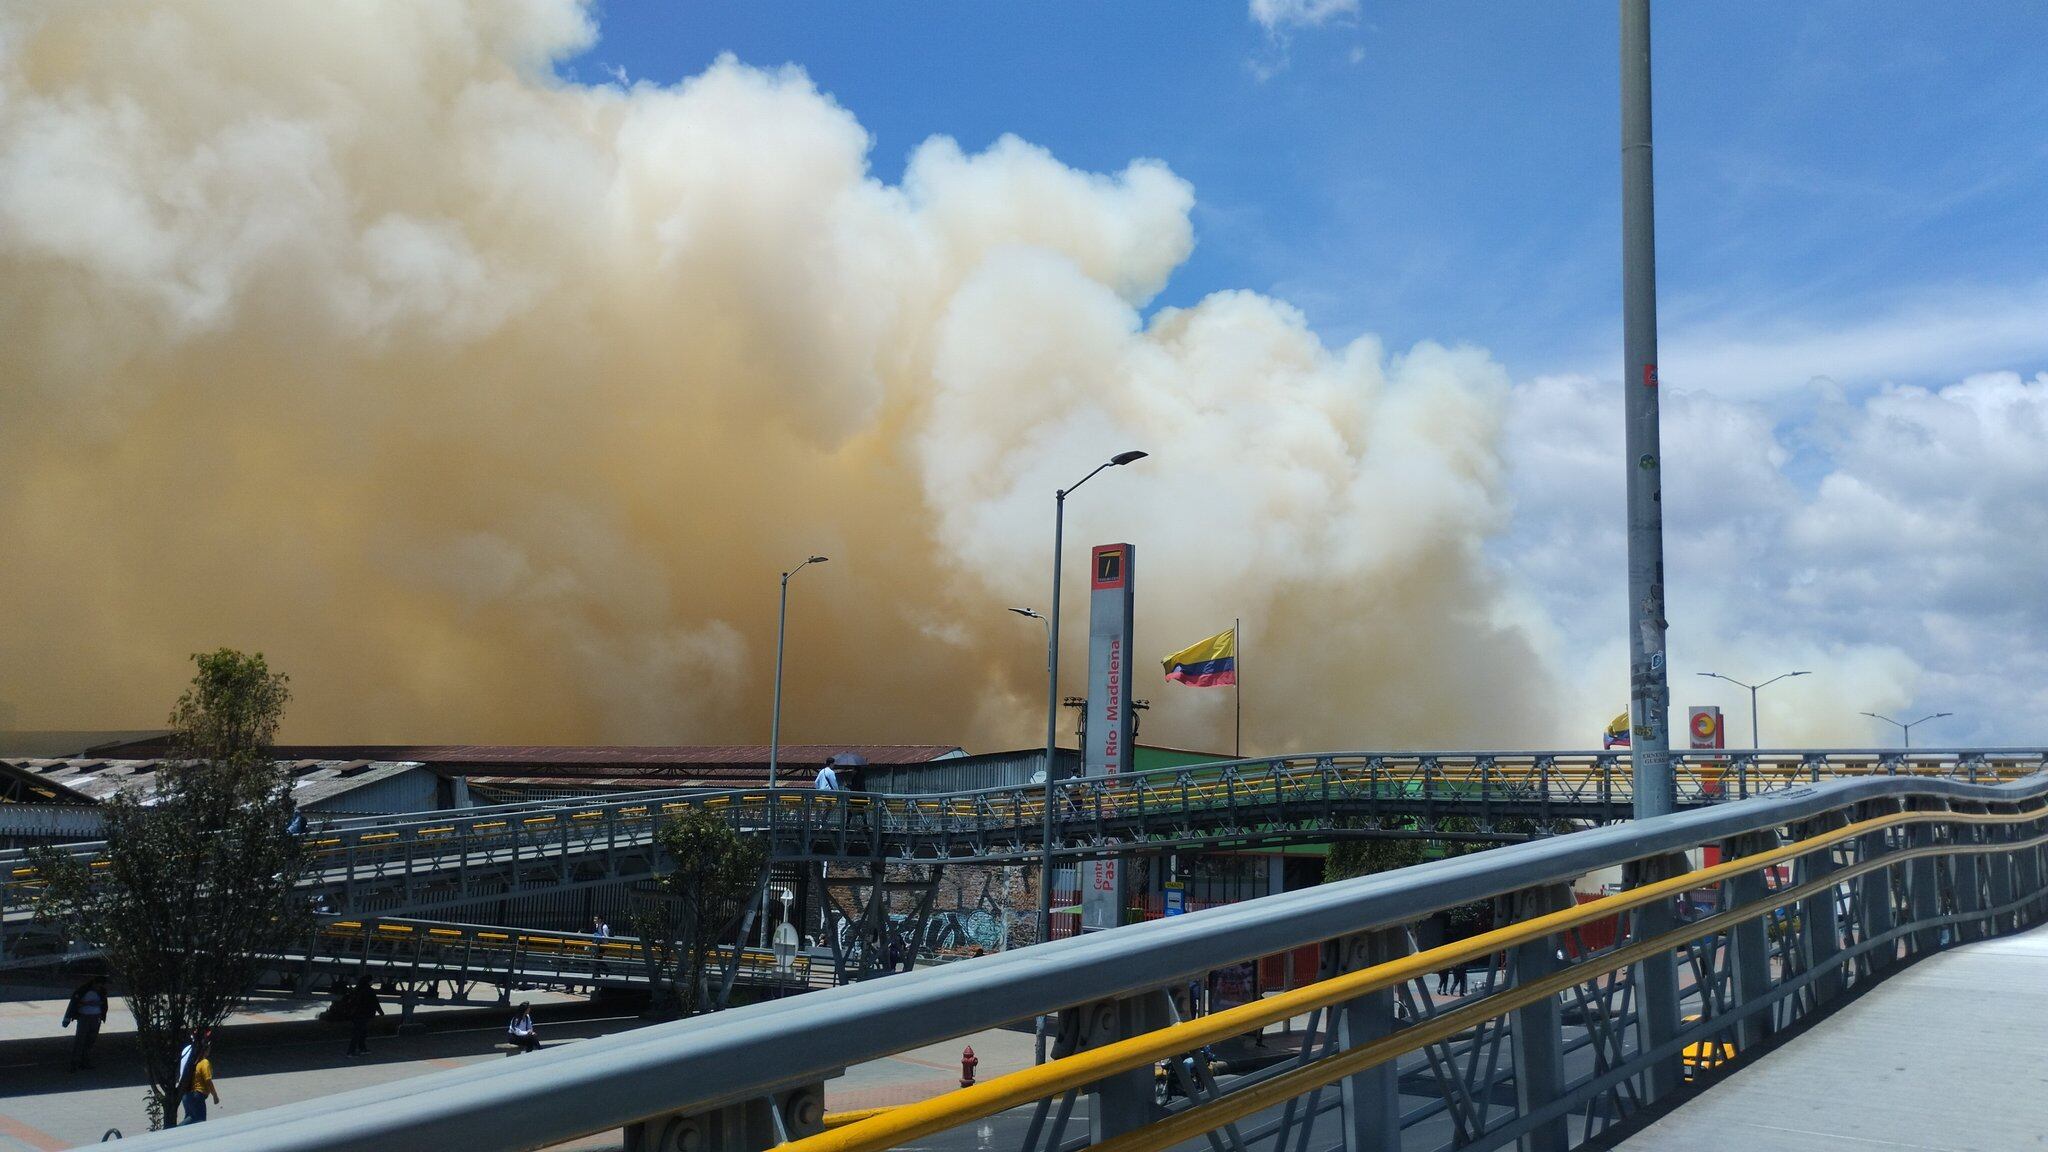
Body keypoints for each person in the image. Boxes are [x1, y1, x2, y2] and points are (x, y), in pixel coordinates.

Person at [61, 976, 109, 1071]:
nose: (99, 987)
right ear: (94, 983)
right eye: (98, 985)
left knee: (90, 1040)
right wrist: (67, 1019)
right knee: (80, 1039)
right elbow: (74, 1003)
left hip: (96, 1017)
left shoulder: (102, 991)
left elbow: (104, 1004)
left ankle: (85, 1061)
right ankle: (75, 1062)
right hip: (84, 1017)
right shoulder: (83, 990)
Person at [180, 1037, 219, 1124]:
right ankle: (173, 1130)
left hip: (187, 1095)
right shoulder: (205, 1062)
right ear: (206, 1049)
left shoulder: (194, 1062)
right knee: (199, 1120)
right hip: (198, 1095)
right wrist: (215, 1095)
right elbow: (208, 1080)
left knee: (190, 1118)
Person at [344, 977, 382, 1058]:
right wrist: (380, 1012)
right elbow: (375, 1002)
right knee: (359, 1033)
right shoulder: (370, 991)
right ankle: (351, 1051)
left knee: (360, 1032)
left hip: (355, 1014)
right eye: (372, 980)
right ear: (368, 981)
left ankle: (362, 1048)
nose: (373, 981)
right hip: (364, 1014)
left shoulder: (357, 989)